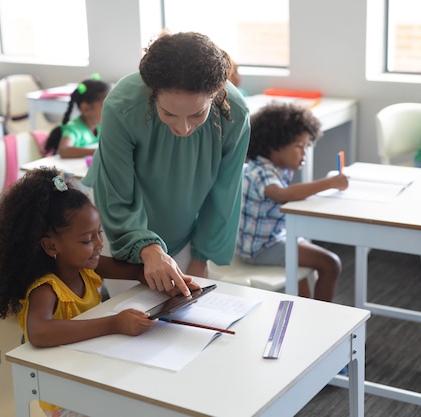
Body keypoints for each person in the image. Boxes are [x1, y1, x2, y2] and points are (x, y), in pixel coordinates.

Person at [0, 167, 198, 416]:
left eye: (99, 234)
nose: (99, 245)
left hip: (91, 371)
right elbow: (39, 332)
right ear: (51, 246)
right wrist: (114, 324)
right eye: (87, 240)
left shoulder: (87, 267)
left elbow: (138, 272)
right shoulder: (46, 289)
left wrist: (170, 284)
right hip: (62, 395)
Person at [82, 31, 251, 296]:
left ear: (216, 95)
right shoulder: (122, 106)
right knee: (131, 311)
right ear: (152, 95)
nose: (183, 128)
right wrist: (147, 248)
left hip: (184, 224)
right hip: (118, 219)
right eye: (168, 114)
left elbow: (224, 191)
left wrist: (201, 254)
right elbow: (116, 193)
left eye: (197, 114)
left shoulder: (235, 113)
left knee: (183, 313)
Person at [237, 102, 348, 301]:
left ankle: (305, 313)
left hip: (272, 238)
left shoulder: (274, 167)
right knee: (331, 263)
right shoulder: (261, 171)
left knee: (306, 266)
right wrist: (330, 182)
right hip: (260, 248)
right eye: (299, 147)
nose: (304, 154)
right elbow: (281, 194)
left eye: (306, 146)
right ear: (274, 144)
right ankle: (326, 320)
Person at [44, 76, 111, 158]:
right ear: (86, 109)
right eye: (105, 106)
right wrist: (97, 152)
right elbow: (64, 150)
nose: (110, 110)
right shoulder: (74, 129)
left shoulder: (99, 127)